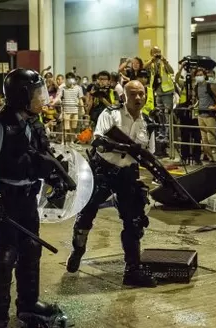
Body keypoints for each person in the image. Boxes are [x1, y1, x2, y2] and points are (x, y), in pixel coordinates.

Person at [0, 69, 65, 328]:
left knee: (31, 250)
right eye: (37, 93)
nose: (43, 98)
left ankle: (28, 304)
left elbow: (41, 157)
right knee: (4, 259)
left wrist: (55, 179)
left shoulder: (34, 123)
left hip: (28, 198)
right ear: (20, 96)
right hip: (7, 199)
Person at [66, 80, 157, 288]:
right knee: (86, 213)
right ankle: (78, 251)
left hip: (127, 175)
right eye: (133, 94)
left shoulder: (148, 123)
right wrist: (127, 147)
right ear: (124, 96)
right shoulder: (111, 113)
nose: (138, 98)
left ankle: (132, 270)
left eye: (141, 94)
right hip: (102, 171)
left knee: (133, 221)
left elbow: (149, 155)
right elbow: (99, 141)